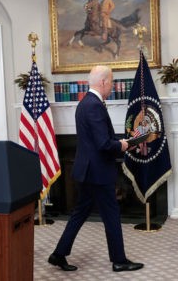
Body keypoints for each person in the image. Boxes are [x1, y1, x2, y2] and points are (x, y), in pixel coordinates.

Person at [48, 65, 144, 273]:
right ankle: (119, 260)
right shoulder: (94, 105)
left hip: (88, 170)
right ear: (103, 82)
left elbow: (98, 140)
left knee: (80, 213)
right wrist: (123, 145)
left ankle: (58, 254)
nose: (112, 85)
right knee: (111, 214)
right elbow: (103, 144)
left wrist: (122, 141)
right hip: (97, 173)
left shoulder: (86, 103)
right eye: (111, 81)